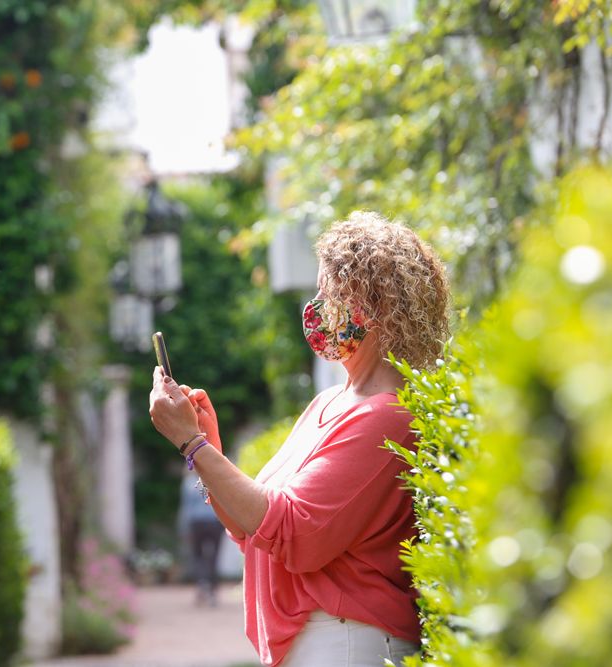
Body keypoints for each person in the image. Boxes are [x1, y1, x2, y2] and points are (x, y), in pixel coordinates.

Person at [149, 212, 451, 667]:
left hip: (350, 643)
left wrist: (193, 446)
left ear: (370, 305)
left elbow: (295, 533)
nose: (318, 309)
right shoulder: (328, 402)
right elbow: (253, 525)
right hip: (325, 643)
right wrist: (206, 445)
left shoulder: (388, 414)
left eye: (329, 294)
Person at [179, 468, 224, 606]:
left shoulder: (189, 482)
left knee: (198, 556)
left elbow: (186, 508)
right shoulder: (214, 479)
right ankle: (212, 589)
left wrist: (184, 528)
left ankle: (201, 584)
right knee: (214, 557)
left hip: (196, 523)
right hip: (215, 522)